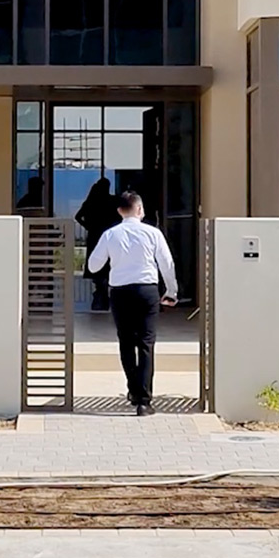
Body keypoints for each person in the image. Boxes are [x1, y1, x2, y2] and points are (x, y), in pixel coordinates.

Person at [85, 191, 179, 416]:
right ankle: (144, 402)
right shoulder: (153, 233)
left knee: (126, 342)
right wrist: (172, 291)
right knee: (146, 343)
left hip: (120, 292)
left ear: (119, 211)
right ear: (139, 209)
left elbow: (93, 265)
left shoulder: (110, 235)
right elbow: (166, 263)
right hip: (147, 290)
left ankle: (134, 391)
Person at [74, 177, 122, 311]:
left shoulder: (92, 201)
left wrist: (88, 226)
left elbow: (78, 216)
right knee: (107, 262)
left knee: (98, 262)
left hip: (95, 235)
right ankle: (102, 290)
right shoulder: (112, 201)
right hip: (107, 236)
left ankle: (100, 291)